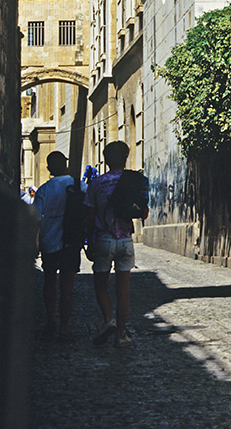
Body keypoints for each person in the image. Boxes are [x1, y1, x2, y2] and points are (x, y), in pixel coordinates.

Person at [85, 141, 148, 349]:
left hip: (103, 239)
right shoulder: (133, 180)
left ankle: (108, 319)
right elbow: (144, 212)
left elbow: (90, 215)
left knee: (100, 286)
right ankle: (121, 335)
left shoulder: (96, 183)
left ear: (105, 158)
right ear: (125, 158)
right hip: (125, 241)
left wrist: (89, 242)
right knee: (123, 290)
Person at [33, 151, 78, 341]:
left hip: (49, 243)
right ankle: (64, 328)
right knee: (67, 286)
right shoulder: (79, 185)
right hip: (71, 243)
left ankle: (51, 321)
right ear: (66, 165)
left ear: (49, 168)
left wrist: (35, 244)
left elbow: (36, 221)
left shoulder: (44, 190)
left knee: (49, 283)